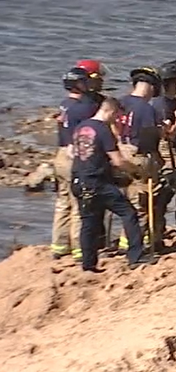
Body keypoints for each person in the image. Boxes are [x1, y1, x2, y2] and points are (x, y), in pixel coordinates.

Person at [70, 97, 152, 272]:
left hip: (78, 180)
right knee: (128, 213)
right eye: (116, 117)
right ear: (111, 111)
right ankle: (136, 256)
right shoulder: (102, 130)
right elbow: (118, 160)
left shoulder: (80, 127)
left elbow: (73, 153)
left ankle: (88, 264)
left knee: (88, 222)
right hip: (97, 183)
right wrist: (135, 170)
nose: (116, 121)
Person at [51, 67, 101, 260]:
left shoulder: (65, 104)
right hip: (74, 155)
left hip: (60, 154)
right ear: (77, 84)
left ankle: (59, 245)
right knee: (79, 204)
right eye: (85, 81)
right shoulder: (82, 108)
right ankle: (79, 247)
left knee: (62, 202)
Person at [116, 67, 165, 251]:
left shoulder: (120, 102)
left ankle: (123, 240)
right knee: (143, 201)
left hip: (118, 152)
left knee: (124, 200)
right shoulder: (146, 109)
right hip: (138, 156)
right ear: (151, 87)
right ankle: (134, 242)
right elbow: (150, 139)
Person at [151, 60, 176, 241]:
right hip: (167, 151)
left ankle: (162, 229)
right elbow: (168, 134)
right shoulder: (163, 104)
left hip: (171, 150)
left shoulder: (169, 100)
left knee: (169, 193)